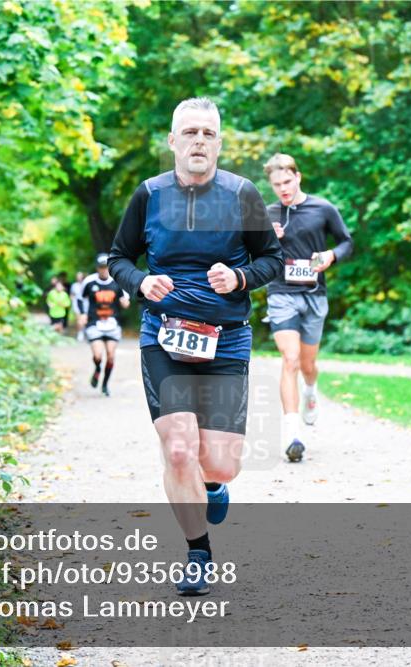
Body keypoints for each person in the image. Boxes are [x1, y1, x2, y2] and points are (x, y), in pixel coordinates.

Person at [109, 97, 283, 596]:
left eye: (208, 133)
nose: (199, 141)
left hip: (225, 339)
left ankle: (213, 484)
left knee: (221, 462)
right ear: (172, 141)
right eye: (190, 132)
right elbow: (118, 258)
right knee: (180, 448)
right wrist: (142, 284)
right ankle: (198, 553)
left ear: (219, 143)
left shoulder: (242, 194)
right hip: (163, 335)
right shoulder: (148, 195)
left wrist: (240, 277)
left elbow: (271, 259)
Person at [264, 153, 353, 463]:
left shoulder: (323, 208)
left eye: (287, 182)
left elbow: (346, 242)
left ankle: (311, 390)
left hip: (314, 294)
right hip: (281, 293)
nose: (283, 189)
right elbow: (247, 252)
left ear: (298, 177)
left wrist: (331, 256)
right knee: (289, 360)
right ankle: (292, 434)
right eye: (277, 185)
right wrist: (265, 240)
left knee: (306, 365)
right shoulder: (268, 214)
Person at [78, 254, 130, 396]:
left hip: (113, 323)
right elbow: (79, 298)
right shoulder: (89, 282)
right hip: (94, 322)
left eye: (106, 267)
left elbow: (124, 298)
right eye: (101, 267)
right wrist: (82, 314)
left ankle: (105, 385)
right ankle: (97, 369)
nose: (104, 270)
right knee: (98, 356)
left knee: (111, 356)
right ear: (97, 268)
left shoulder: (117, 282)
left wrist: (125, 302)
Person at [69, 271, 87, 341]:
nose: (79, 278)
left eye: (80, 276)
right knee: (78, 319)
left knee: (85, 318)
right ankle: (80, 332)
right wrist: (72, 300)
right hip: (77, 303)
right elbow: (72, 294)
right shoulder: (74, 285)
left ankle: (85, 331)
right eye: (77, 276)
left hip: (85, 303)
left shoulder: (86, 283)